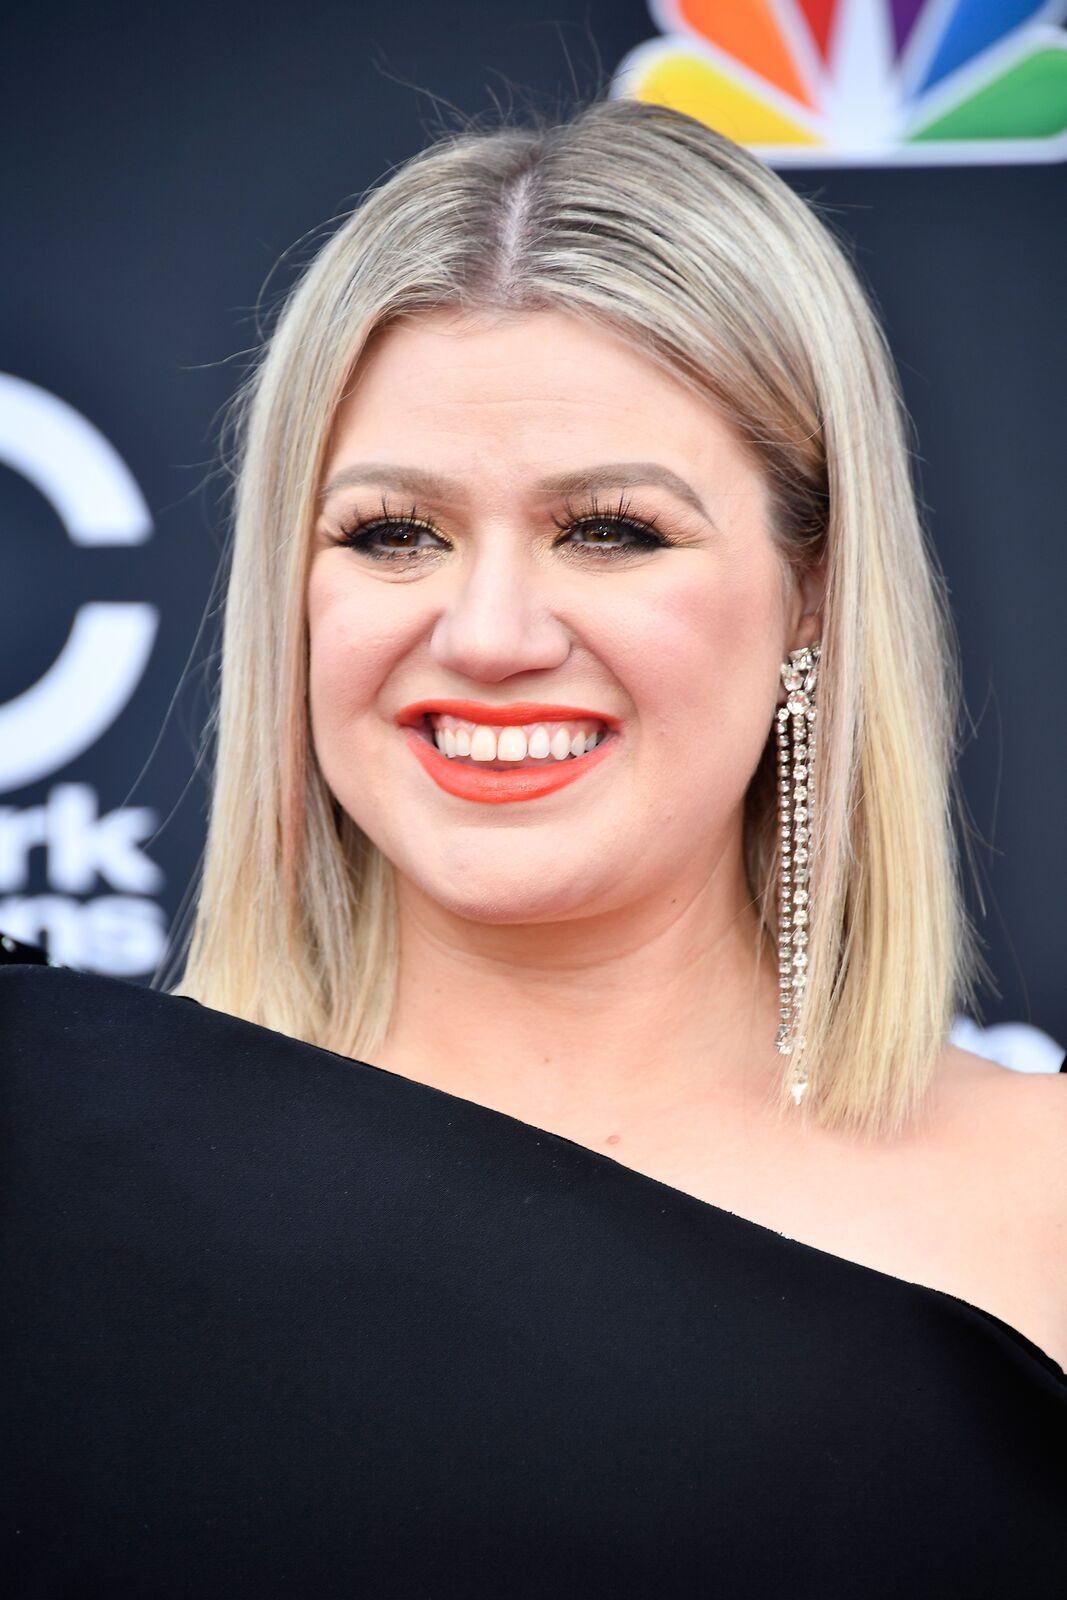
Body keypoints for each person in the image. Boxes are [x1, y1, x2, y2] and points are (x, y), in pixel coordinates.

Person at [2, 96, 1064, 1598]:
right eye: (391, 533)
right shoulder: (46, 1174)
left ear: (812, 590)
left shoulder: (1048, 1208)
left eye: (612, 530)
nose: (490, 634)